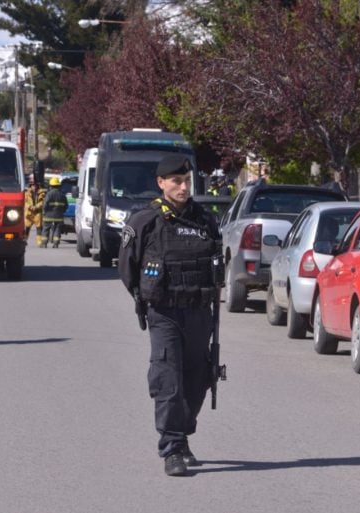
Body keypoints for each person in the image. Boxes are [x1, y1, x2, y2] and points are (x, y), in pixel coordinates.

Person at [118, 154, 222, 477]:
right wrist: (147, 299)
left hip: (199, 312)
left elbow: (217, 263)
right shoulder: (144, 222)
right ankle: (172, 447)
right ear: (161, 183)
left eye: (187, 180)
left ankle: (182, 433)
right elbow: (127, 269)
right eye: (176, 181)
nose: (183, 186)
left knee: (198, 378)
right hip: (164, 313)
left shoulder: (205, 221)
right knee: (169, 379)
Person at [42, 176, 68, 248]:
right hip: (59, 216)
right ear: (58, 185)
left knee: (46, 229)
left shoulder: (49, 194)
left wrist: (44, 211)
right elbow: (66, 205)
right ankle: (56, 244)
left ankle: (44, 244)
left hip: (48, 216)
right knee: (57, 229)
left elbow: (45, 204)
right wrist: (62, 212)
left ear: (50, 186)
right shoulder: (62, 195)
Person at [24, 174, 45, 246]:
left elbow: (42, 202)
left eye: (35, 185)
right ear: (30, 185)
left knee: (39, 228)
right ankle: (24, 240)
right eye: (32, 185)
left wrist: (36, 207)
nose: (34, 187)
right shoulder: (26, 193)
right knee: (27, 228)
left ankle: (39, 242)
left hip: (37, 213)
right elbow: (25, 202)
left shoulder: (42, 193)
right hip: (29, 213)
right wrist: (29, 207)